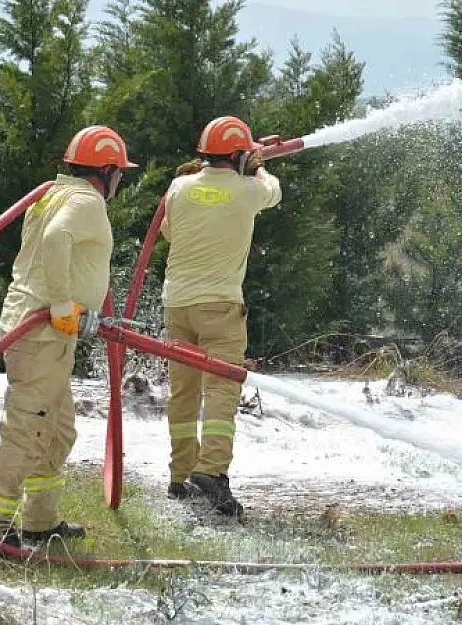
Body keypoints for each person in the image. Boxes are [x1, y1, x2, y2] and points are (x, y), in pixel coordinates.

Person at [0, 125, 138, 551]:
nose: (120, 180)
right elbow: (54, 238)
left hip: (44, 331)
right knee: (28, 427)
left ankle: (40, 522)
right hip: (42, 331)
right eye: (119, 172)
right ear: (106, 170)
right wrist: (64, 303)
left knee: (58, 429)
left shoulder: (56, 194)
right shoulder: (85, 200)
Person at [160, 116, 282, 518]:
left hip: (176, 304)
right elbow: (273, 191)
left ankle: (180, 477)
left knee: (184, 392)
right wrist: (259, 163)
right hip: (221, 306)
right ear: (238, 155)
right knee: (221, 390)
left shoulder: (179, 188)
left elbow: (168, 233)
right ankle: (211, 471)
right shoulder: (249, 190)